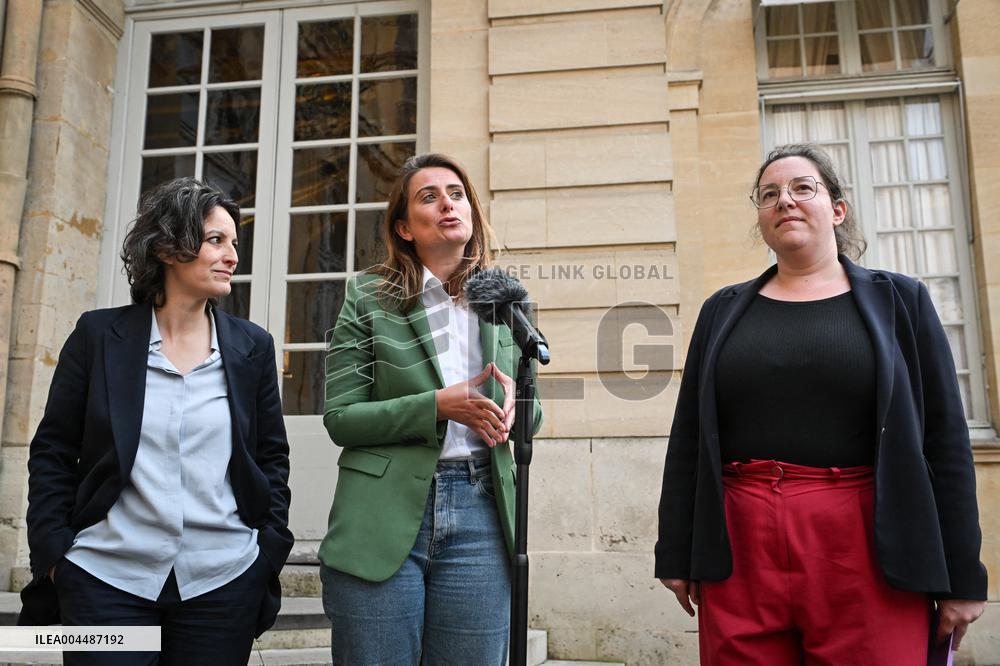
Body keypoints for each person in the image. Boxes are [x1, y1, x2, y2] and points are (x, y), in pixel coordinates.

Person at [655, 144, 987, 664]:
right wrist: (674, 551)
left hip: (868, 541)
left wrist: (964, 573)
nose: (784, 201)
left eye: (802, 188)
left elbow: (944, 440)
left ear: (837, 208)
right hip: (741, 541)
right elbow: (690, 438)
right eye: (769, 194)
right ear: (761, 219)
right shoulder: (721, 311)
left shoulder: (902, 301)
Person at [20, 177, 293, 665]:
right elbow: (54, 451)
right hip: (106, 582)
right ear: (168, 247)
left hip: (222, 583)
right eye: (216, 240)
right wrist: (59, 558)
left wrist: (266, 555)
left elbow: (271, 457)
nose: (232, 255)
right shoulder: (98, 336)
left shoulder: (252, 347)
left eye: (234, 243)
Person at [319, 153, 543, 665]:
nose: (448, 203)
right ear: (403, 227)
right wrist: (437, 406)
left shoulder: (507, 301)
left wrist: (515, 410)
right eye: (429, 196)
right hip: (383, 511)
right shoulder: (367, 296)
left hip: (482, 508)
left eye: (457, 193)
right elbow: (341, 417)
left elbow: (533, 416)